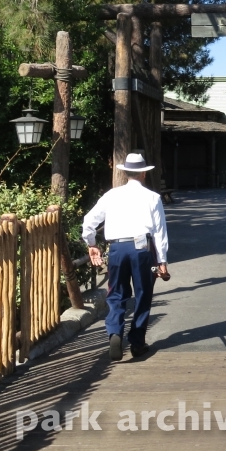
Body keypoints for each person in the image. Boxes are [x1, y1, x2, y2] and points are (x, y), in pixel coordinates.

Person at [83, 152, 170, 360]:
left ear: (125, 173)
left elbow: (89, 221)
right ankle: (137, 342)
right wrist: (162, 261)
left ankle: (114, 332)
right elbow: (159, 231)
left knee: (116, 292)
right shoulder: (152, 197)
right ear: (143, 174)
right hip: (143, 251)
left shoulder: (111, 195)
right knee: (144, 292)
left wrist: (92, 243)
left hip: (117, 249)